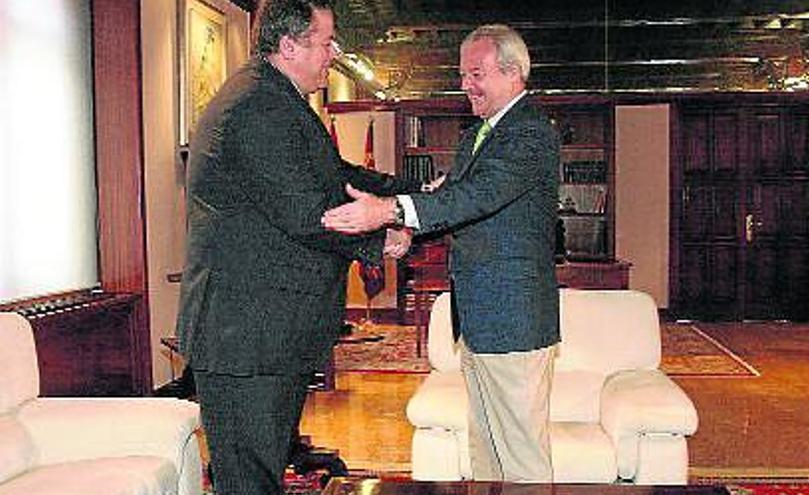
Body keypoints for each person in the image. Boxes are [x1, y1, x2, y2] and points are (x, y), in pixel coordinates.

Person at [174, 1, 418, 493]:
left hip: (263, 334)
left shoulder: (276, 99)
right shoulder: (257, 107)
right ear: (289, 46)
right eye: (326, 43)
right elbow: (306, 211)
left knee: (259, 470)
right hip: (246, 335)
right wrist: (383, 234)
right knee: (249, 480)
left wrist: (406, 194)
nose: (333, 54)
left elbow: (334, 175)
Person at [322, 24, 561, 482]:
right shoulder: (479, 134)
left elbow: (477, 197)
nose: (465, 85)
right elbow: (457, 205)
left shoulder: (529, 132)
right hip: (479, 320)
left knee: (522, 458)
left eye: (476, 73)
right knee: (486, 452)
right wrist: (410, 235)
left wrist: (388, 211)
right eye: (462, 74)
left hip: (514, 320)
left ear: (512, 72)